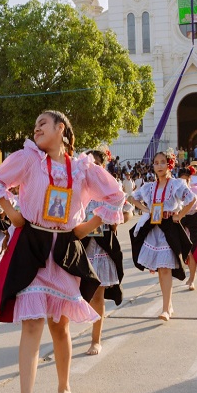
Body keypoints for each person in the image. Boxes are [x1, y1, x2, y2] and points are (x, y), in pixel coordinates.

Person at [0, 110, 124, 393]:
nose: (36, 128)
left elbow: (115, 195)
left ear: (61, 129)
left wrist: (87, 225)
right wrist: (12, 214)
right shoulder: (29, 159)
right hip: (31, 244)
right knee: (31, 325)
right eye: (35, 124)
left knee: (60, 326)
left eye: (42, 123)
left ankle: (63, 386)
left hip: (64, 249)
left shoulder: (83, 168)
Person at [128, 151, 196, 318]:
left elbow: (192, 199)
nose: (159, 165)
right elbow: (131, 198)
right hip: (153, 228)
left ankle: (165, 308)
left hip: (169, 228)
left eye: (162, 162)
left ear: (169, 164)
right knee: (160, 269)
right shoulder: (149, 187)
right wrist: (145, 210)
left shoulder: (176, 184)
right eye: (156, 162)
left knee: (165, 268)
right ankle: (169, 305)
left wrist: (179, 215)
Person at [82, 150, 132, 355]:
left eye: (97, 164)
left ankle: (95, 339)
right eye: (89, 164)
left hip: (102, 249)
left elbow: (127, 212)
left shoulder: (112, 191)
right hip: (80, 248)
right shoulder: (79, 189)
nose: (93, 168)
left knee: (97, 297)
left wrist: (117, 219)